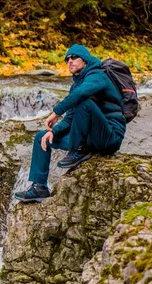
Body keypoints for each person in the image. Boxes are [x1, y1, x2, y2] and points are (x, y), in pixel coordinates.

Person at [15, 44, 127, 202]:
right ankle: (39, 187)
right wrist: (54, 131)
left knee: (84, 102)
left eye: (74, 57)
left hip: (108, 137)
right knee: (42, 136)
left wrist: (56, 112)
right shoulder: (76, 85)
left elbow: (81, 95)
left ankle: (79, 149)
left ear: (86, 60)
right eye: (67, 59)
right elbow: (70, 117)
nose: (70, 61)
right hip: (88, 139)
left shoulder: (98, 75)